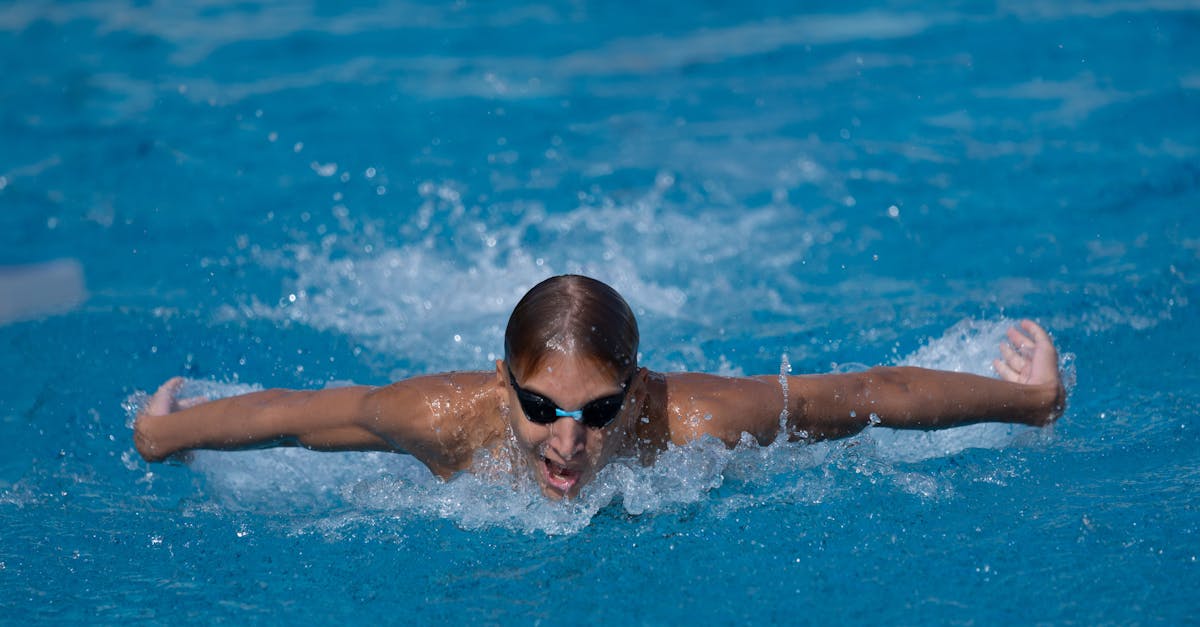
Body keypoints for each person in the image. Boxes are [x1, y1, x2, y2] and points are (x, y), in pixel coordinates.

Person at [134, 274, 1066, 500]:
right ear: (505, 386)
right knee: (350, 430)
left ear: (637, 389)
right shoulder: (447, 417)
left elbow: (867, 392)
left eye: (597, 412)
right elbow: (303, 416)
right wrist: (164, 435)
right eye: (541, 408)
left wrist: (1031, 401)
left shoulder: (693, 422)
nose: (568, 440)